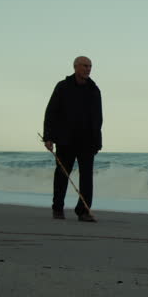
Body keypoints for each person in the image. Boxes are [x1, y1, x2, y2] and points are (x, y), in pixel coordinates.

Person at [43, 56, 103, 222]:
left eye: (90, 66)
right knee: (62, 174)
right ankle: (58, 208)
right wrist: (48, 137)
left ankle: (83, 211)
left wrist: (97, 141)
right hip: (65, 140)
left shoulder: (94, 90)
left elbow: (98, 119)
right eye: (85, 66)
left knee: (86, 177)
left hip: (87, 142)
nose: (88, 69)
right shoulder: (62, 87)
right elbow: (51, 112)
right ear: (75, 67)